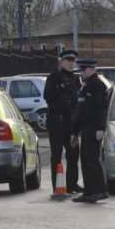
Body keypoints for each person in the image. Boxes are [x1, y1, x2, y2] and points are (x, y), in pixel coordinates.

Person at [71, 58, 109, 203]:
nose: (81, 73)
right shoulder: (86, 86)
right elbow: (80, 111)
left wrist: (101, 127)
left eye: (83, 70)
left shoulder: (98, 85)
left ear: (92, 69)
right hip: (86, 128)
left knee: (92, 160)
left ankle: (99, 191)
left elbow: (101, 109)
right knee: (86, 160)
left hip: (94, 128)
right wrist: (75, 132)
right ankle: (89, 191)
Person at [44, 50, 81, 193]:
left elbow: (77, 102)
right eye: (68, 61)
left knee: (73, 155)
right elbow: (48, 97)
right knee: (57, 155)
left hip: (71, 123)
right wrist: (64, 99)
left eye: (73, 61)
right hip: (57, 122)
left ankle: (72, 185)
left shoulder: (76, 79)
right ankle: (57, 186)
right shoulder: (53, 78)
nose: (71, 63)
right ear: (62, 62)